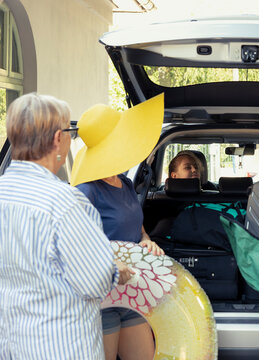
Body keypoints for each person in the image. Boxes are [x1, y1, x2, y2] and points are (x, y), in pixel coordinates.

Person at [0, 93, 131, 359]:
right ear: (58, 139)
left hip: (12, 343)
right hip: (61, 345)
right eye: (71, 132)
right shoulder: (66, 203)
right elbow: (95, 281)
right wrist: (116, 271)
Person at [71, 94, 165, 360]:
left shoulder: (123, 183)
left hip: (131, 290)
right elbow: (75, 242)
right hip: (101, 295)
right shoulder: (86, 190)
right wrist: (110, 262)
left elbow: (136, 224)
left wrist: (146, 239)